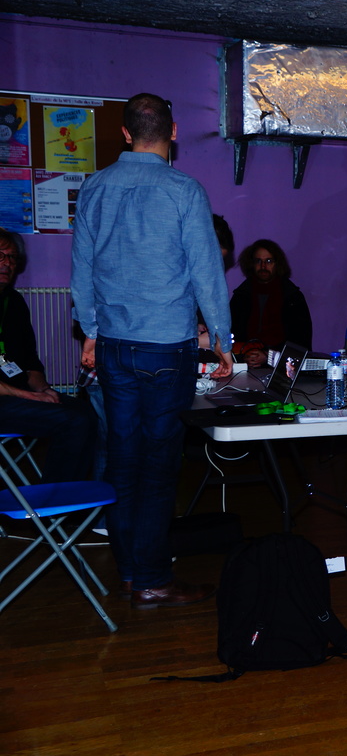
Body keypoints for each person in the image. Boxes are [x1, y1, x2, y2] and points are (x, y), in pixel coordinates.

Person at [72, 92, 232, 609]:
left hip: (115, 347)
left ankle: (129, 571)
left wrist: (90, 330)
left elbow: (81, 271)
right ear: (174, 132)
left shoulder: (94, 187)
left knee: (123, 460)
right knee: (160, 466)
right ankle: (153, 578)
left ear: (124, 133)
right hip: (166, 349)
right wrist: (222, 342)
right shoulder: (185, 190)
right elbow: (207, 273)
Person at [0, 231, 96, 483]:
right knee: (73, 422)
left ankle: (72, 491)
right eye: (0, 256)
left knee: (90, 412)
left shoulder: (14, 302)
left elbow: (29, 361)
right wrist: (31, 397)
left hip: (16, 394)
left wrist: (44, 390)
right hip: (7, 398)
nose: (7, 263)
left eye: (12, 257)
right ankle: (55, 498)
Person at [229, 239, 313, 368]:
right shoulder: (241, 295)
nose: (263, 266)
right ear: (252, 264)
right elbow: (230, 335)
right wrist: (244, 354)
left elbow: (301, 342)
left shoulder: (292, 297)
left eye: (268, 261)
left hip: (282, 368)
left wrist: (268, 355)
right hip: (243, 365)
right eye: (258, 261)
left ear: (277, 264)